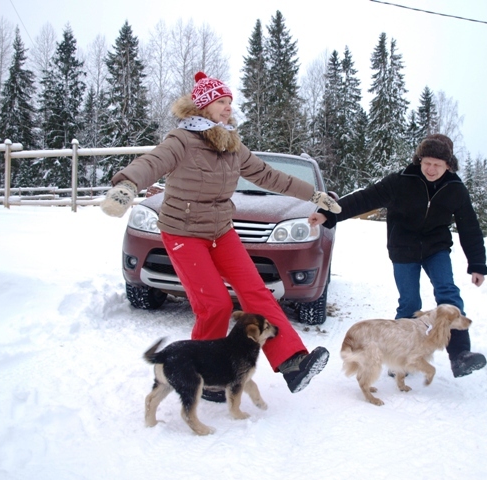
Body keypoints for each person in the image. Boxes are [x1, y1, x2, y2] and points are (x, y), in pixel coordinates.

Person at [101, 72, 341, 400]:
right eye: (221, 102)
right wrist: (127, 185)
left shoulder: (232, 145)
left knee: (257, 292)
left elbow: (269, 176)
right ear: (202, 106)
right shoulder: (181, 140)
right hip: (183, 232)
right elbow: (153, 162)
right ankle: (204, 374)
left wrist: (313, 195)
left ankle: (292, 362)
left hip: (221, 232)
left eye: (230, 102)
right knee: (213, 303)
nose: (228, 108)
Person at [309, 134, 487, 378]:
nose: (431, 169)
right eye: (427, 162)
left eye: (438, 164)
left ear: (448, 165)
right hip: (404, 248)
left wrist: (477, 264)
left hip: (436, 249)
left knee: (448, 294)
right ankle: (402, 358)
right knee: (410, 303)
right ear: (419, 159)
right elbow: (365, 198)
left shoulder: (455, 188)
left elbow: (470, 227)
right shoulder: (401, 181)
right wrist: (328, 215)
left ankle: (460, 355)